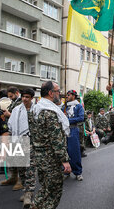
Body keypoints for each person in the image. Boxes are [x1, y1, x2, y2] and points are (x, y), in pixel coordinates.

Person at [30, 81, 71, 209]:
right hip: (50, 159)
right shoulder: (50, 112)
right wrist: (65, 160)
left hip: (40, 157)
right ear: (50, 93)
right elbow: (56, 140)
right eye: (58, 91)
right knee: (54, 191)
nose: (60, 94)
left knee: (46, 188)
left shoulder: (36, 109)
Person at [7, 88, 36, 208]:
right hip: (18, 142)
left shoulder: (36, 110)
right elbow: (11, 126)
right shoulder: (16, 110)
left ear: (31, 98)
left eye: (27, 97)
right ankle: (25, 190)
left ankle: (29, 194)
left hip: (32, 144)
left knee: (30, 169)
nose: (24, 99)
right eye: (23, 96)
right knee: (22, 170)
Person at [0, 86, 23, 190]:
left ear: (17, 93)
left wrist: (9, 114)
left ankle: (21, 180)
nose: (10, 98)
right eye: (9, 96)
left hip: (19, 133)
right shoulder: (14, 102)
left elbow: (20, 116)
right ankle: (13, 177)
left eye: (11, 96)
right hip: (11, 132)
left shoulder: (22, 102)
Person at [61, 89, 84, 181]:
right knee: (64, 151)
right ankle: (66, 171)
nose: (67, 96)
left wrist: (68, 120)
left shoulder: (78, 106)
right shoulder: (64, 106)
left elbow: (81, 118)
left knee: (74, 151)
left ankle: (78, 172)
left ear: (74, 96)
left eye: (69, 95)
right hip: (64, 130)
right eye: (67, 95)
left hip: (73, 130)